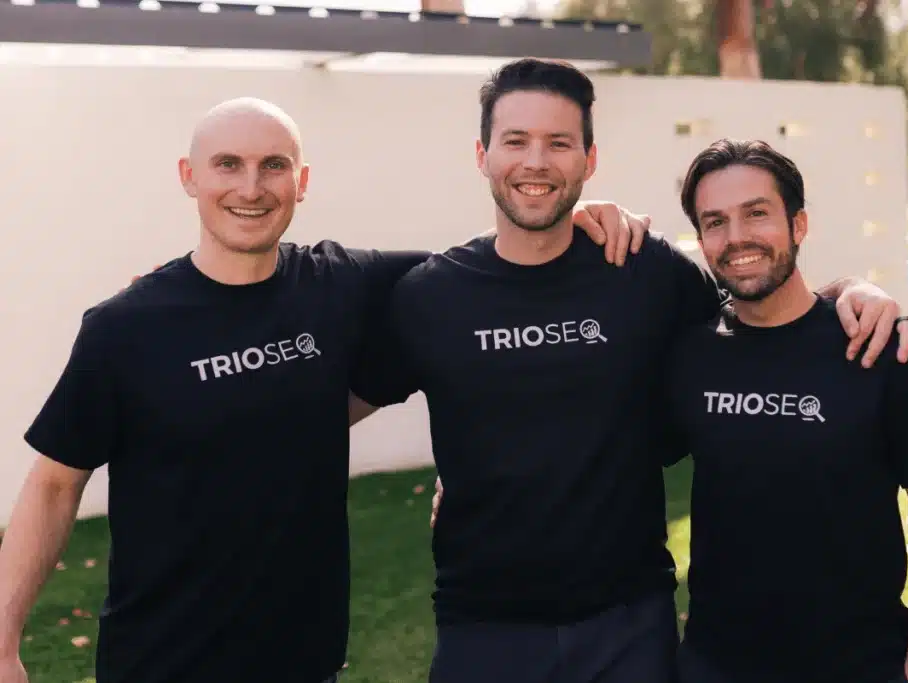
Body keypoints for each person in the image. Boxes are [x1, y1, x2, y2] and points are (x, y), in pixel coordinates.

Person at [0, 97, 647, 683]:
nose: (251, 188)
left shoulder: (341, 284)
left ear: (300, 182)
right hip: (161, 660)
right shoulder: (126, 327)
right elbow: (55, 483)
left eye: (273, 166)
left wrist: (576, 213)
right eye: (228, 164)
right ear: (189, 176)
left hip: (305, 661)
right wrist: (3, 641)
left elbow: (489, 268)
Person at [365, 58, 908, 683]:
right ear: (482, 154)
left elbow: (761, 306)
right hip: (484, 631)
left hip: (629, 626)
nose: (536, 161)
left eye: (559, 142)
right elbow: (322, 409)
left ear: (589, 158)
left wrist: (849, 291)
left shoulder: (641, 268)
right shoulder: (432, 295)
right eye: (515, 141)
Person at [666, 139, 908, 683]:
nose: (736, 237)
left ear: (799, 224)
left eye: (757, 214)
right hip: (715, 667)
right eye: (715, 221)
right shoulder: (688, 353)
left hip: (861, 665)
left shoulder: (879, 347)